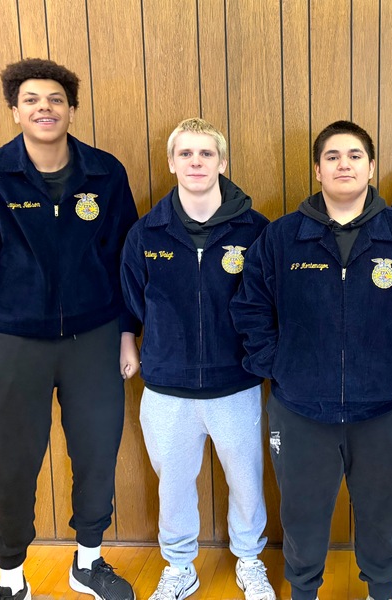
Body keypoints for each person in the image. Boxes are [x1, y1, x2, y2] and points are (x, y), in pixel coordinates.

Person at [231, 120, 392, 600]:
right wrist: (278, 364)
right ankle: (304, 591)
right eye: (332, 157)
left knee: (381, 514)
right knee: (302, 515)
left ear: (371, 167)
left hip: (386, 409)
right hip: (301, 411)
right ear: (317, 170)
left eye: (354, 156)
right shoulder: (281, 237)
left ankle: (380, 590)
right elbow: (250, 307)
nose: (344, 165)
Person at [0, 58, 139, 600]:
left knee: (96, 451)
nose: (44, 108)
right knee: (10, 462)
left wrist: (127, 332)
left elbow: (125, 261)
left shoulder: (105, 173)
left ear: (71, 109)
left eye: (55, 99)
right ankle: (10, 577)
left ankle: (88, 561)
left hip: (94, 337)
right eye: (31, 99)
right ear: (15, 110)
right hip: (13, 341)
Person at [120, 117, 273, 600]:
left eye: (206, 153)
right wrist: (130, 341)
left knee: (246, 481)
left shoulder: (256, 230)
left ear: (222, 163)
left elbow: (273, 302)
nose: (196, 162)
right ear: (171, 163)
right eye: (185, 153)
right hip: (167, 386)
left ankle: (249, 560)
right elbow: (131, 301)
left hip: (236, 382)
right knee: (173, 484)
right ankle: (179, 565)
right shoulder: (146, 233)